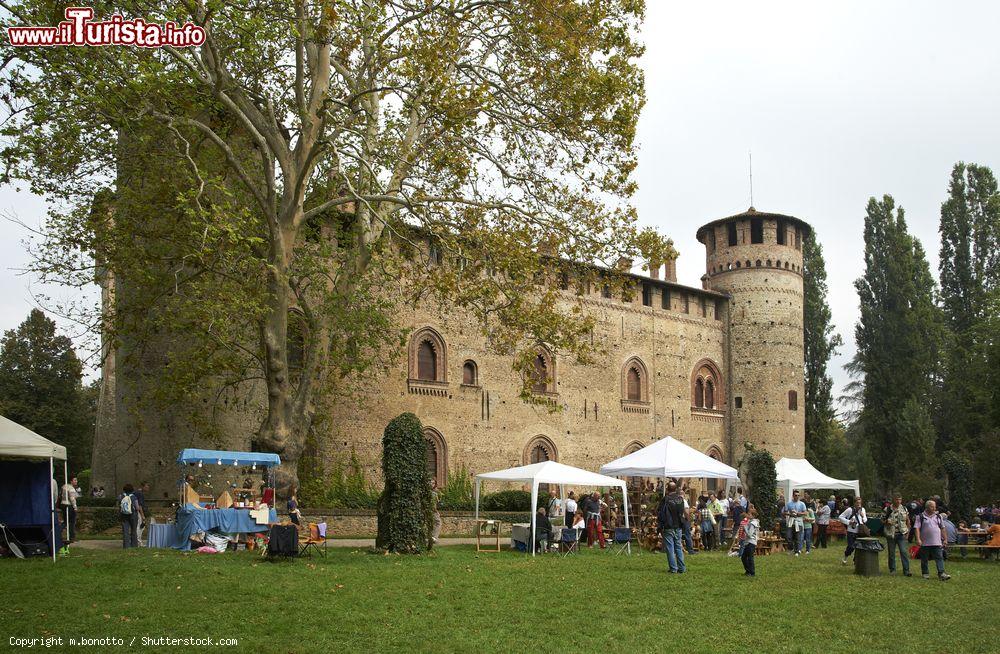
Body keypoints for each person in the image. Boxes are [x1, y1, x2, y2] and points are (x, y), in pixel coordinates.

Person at [914, 499, 950, 580]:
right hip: (925, 542)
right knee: (924, 558)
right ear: (927, 507)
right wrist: (918, 539)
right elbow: (916, 528)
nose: (934, 508)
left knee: (939, 557)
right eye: (932, 507)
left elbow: (942, 528)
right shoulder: (920, 516)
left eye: (935, 507)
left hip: (937, 542)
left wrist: (945, 539)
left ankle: (941, 573)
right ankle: (925, 573)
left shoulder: (938, 516)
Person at [657, 481, 687, 574]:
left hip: (668, 526)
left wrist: (660, 526)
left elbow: (661, 513)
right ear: (675, 489)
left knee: (670, 548)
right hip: (678, 526)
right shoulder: (680, 499)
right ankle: (681, 568)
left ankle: (673, 568)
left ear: (668, 489)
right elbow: (682, 512)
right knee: (678, 547)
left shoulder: (665, 499)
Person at [883, 494, 911, 576]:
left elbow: (908, 521)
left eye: (900, 499)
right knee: (891, 553)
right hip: (891, 534)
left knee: (904, 552)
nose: (898, 501)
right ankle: (892, 570)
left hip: (901, 533)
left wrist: (908, 532)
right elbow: (881, 520)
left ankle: (906, 571)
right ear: (893, 500)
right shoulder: (887, 509)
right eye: (897, 499)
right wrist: (886, 522)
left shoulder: (904, 508)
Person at [839, 496, 867, 564]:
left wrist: (863, 516)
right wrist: (849, 522)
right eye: (857, 503)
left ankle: (856, 561)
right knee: (851, 546)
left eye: (860, 503)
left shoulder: (863, 510)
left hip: (860, 531)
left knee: (859, 547)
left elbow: (865, 520)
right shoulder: (850, 510)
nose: (859, 504)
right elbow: (840, 517)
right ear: (854, 503)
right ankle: (845, 557)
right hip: (851, 531)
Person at [784, 490, 806, 556]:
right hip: (791, 522)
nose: (797, 496)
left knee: (797, 537)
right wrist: (790, 514)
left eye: (798, 495)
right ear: (793, 496)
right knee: (789, 537)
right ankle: (791, 549)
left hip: (799, 522)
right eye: (796, 495)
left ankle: (797, 551)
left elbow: (805, 512)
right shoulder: (789, 503)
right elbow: (784, 512)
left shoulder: (802, 504)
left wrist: (798, 513)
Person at [740, 507, 760, 577]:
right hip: (749, 542)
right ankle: (748, 571)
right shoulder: (751, 522)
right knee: (744, 557)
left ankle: (752, 572)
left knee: (749, 558)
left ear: (753, 515)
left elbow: (749, 534)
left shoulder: (752, 523)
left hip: (751, 542)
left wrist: (745, 527)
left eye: (749, 514)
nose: (748, 515)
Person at [119, 484, 140, 549]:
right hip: (133, 515)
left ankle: (126, 546)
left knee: (125, 531)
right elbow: (137, 507)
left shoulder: (121, 496)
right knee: (133, 530)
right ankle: (134, 545)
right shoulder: (133, 497)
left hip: (123, 515)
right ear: (132, 490)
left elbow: (118, 505)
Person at [60, 476, 79, 544]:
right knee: (72, 522)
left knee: (65, 521)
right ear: (71, 481)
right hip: (69, 505)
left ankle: (58, 532)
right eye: (75, 480)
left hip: (63, 504)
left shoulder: (64, 486)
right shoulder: (71, 488)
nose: (76, 481)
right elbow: (72, 498)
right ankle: (72, 537)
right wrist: (75, 507)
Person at [133, 482, 150, 546]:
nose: (147, 488)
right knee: (140, 527)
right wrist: (142, 516)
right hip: (138, 511)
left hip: (135, 511)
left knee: (139, 527)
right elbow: (139, 505)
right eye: (146, 487)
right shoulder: (140, 493)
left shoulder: (137, 492)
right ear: (142, 487)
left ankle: (137, 541)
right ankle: (138, 542)